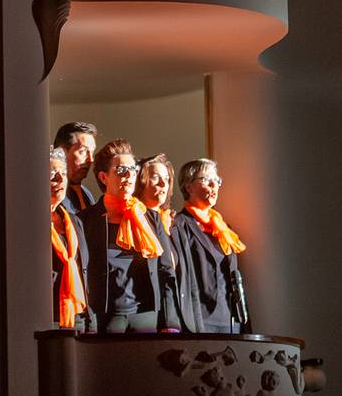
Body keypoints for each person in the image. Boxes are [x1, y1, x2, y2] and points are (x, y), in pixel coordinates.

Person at [77, 139, 181, 333]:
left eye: (132, 169)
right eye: (121, 170)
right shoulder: (85, 220)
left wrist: (170, 323)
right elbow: (82, 276)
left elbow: (166, 271)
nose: (129, 175)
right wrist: (88, 323)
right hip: (105, 319)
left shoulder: (150, 218)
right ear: (103, 177)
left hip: (146, 315)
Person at [173, 158, 248, 334]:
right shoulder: (178, 224)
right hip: (198, 319)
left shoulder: (224, 228)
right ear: (188, 187)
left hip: (230, 318)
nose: (214, 185)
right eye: (206, 180)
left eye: (217, 180)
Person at [136, 153, 204, 333]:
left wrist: (198, 328)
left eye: (166, 179)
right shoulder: (133, 223)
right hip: (152, 322)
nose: (163, 184)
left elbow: (190, 282)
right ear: (141, 182)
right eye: (155, 177)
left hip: (182, 322)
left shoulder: (174, 224)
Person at [50, 146, 90, 329]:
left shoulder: (74, 220)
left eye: (64, 174)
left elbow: (84, 269)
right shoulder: (30, 222)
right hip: (47, 312)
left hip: (77, 313)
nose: (60, 179)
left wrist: (90, 319)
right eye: (52, 174)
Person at [53, 121, 97, 213]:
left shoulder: (86, 193)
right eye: (82, 151)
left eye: (92, 152)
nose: (90, 159)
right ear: (61, 152)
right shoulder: (51, 194)